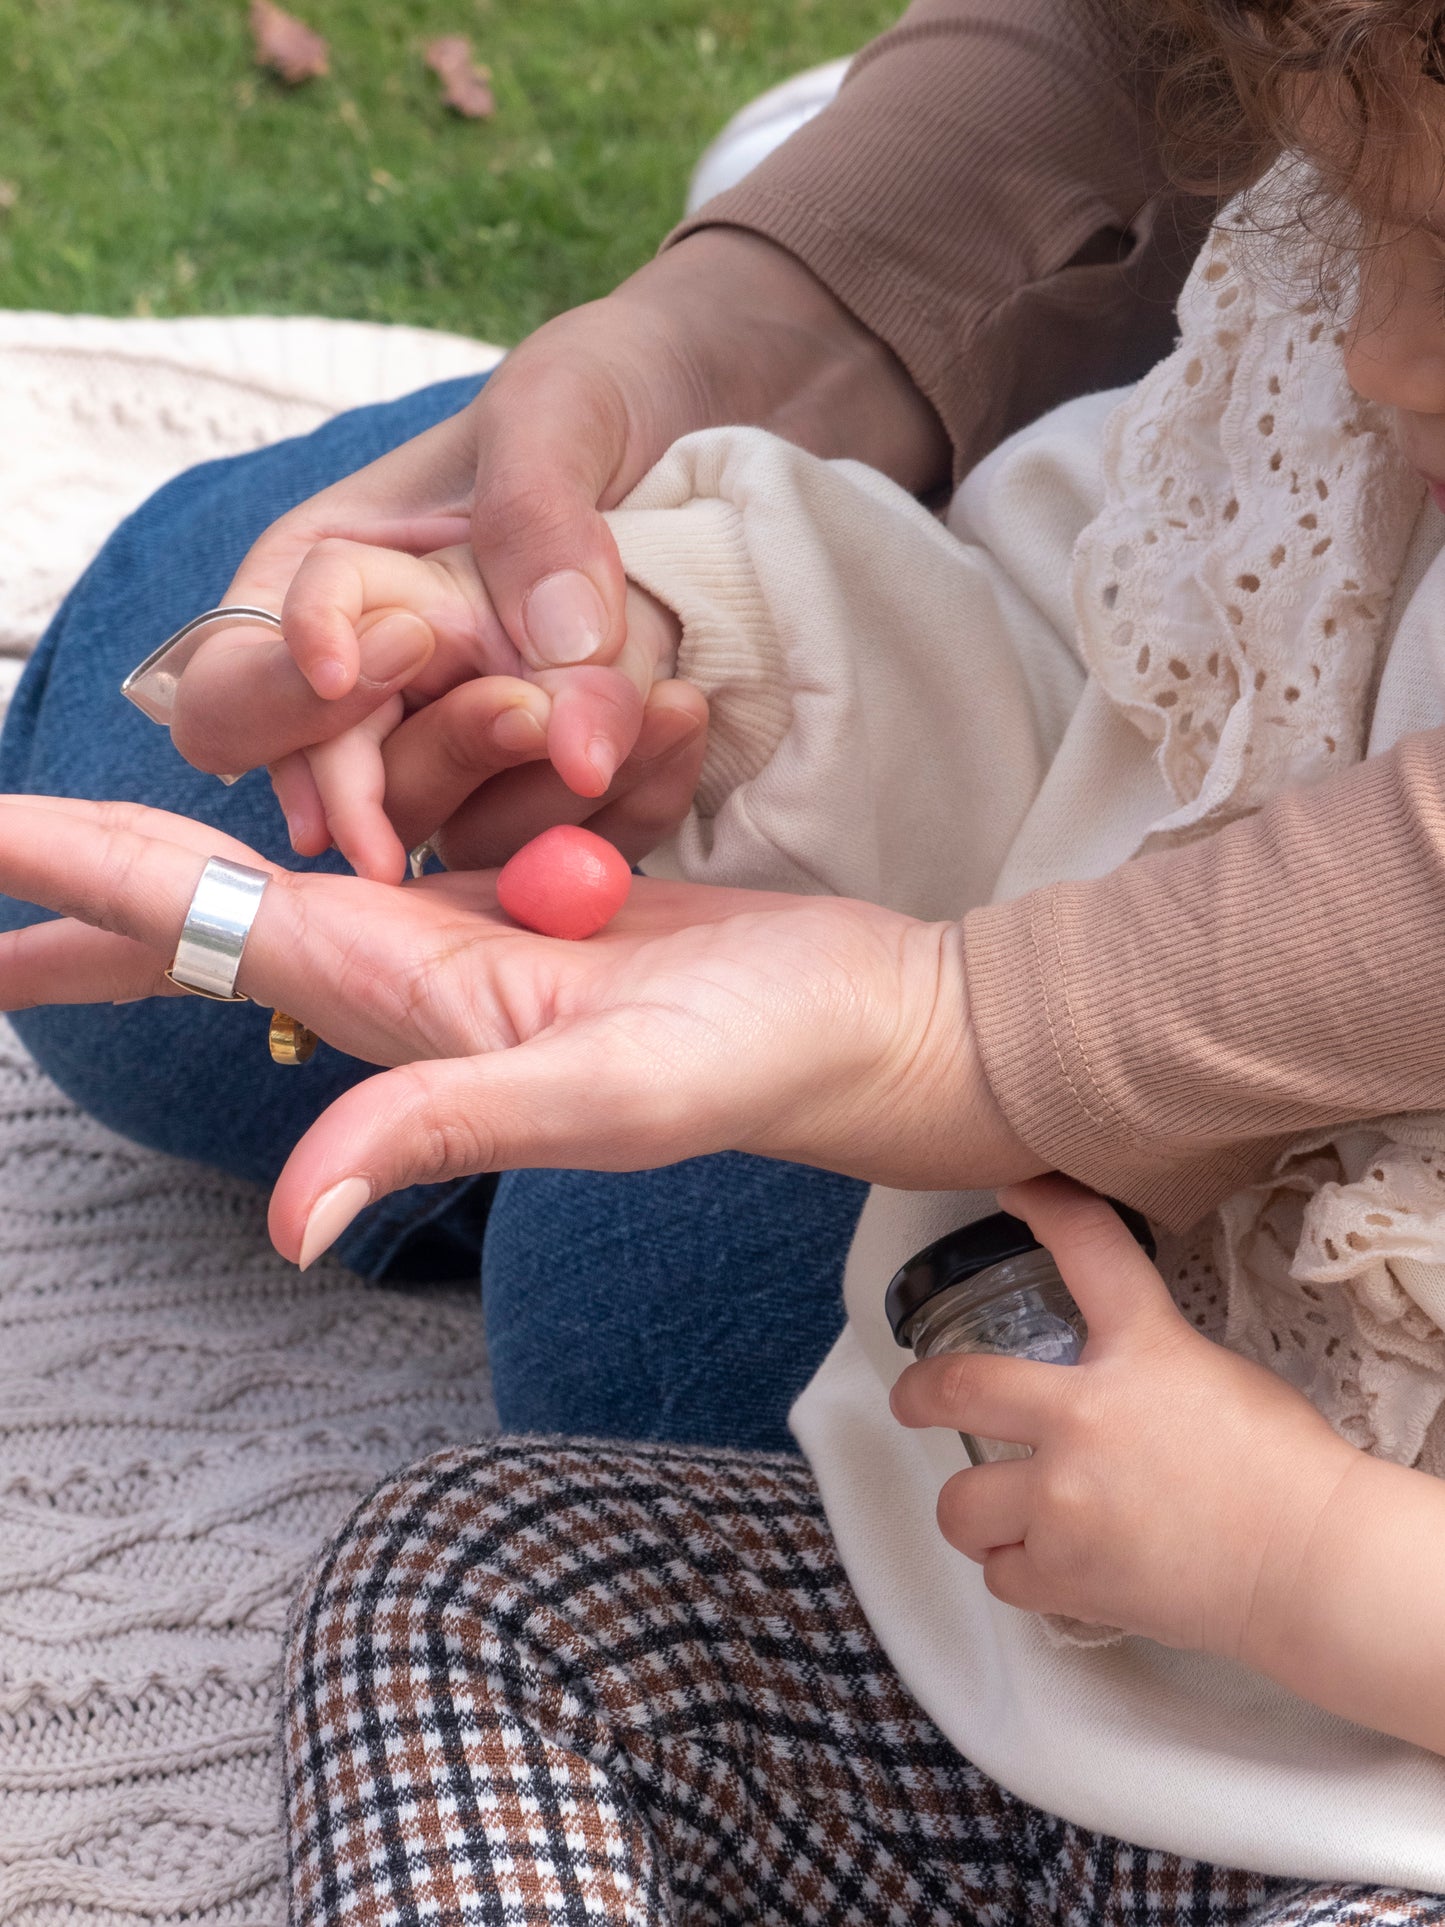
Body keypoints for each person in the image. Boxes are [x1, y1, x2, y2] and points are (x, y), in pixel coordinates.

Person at [7, 0, 1445, 1917]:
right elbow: (1084, 711)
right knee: (468, 1583)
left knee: (630, 1319)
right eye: (1360, 224)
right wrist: (684, 640)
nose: (1375, 344)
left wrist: (1309, 1569)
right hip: (1057, 1650)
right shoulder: (1331, 419)